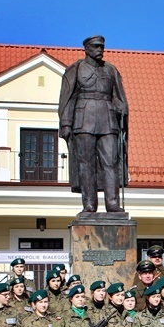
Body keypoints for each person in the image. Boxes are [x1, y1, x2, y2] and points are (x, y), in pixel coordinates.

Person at [58, 34, 128, 213]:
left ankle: (112, 203)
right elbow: (67, 98)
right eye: (96, 47)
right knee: (86, 163)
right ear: (87, 49)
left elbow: (119, 97)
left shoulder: (111, 70)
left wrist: (122, 109)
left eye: (102, 47)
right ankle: (89, 204)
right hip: (83, 119)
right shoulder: (76, 69)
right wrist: (66, 123)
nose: (100, 50)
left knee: (111, 162)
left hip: (108, 119)